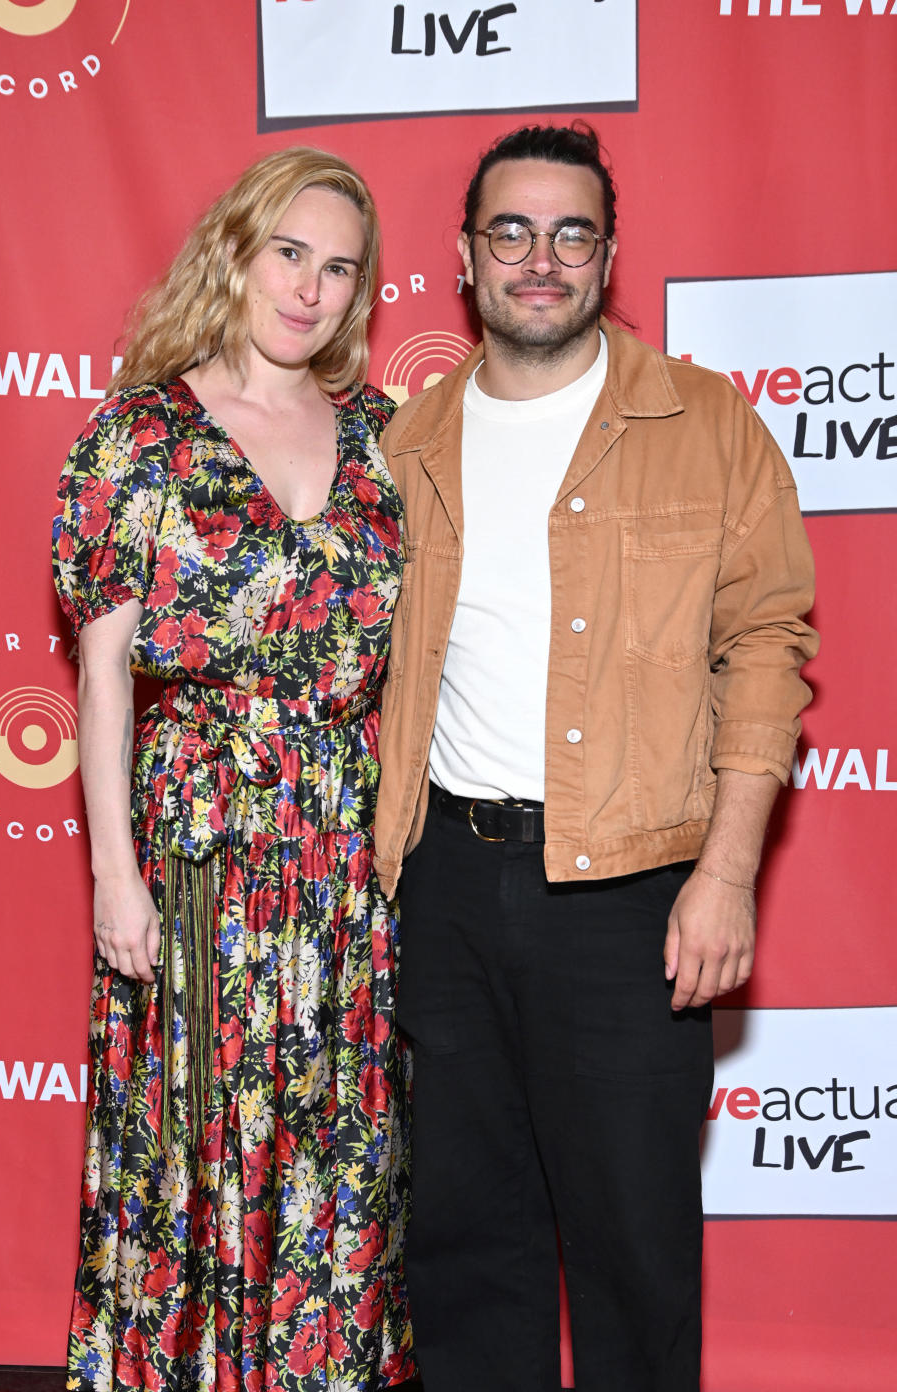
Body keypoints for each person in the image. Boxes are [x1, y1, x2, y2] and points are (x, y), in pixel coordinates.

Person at [372, 124, 818, 1392]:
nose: (541, 259)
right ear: (466, 259)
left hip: (630, 899)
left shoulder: (706, 423)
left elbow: (768, 646)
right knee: (465, 1251)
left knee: (633, 1258)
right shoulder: (403, 445)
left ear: (609, 255)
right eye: (511, 232)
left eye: (571, 233)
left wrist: (727, 876)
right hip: (443, 890)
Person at [53, 147, 414, 1392]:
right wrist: (115, 874)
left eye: (339, 268)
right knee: (192, 1136)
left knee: (336, 1135)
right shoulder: (138, 437)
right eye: (290, 254)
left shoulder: (384, 440)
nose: (310, 289)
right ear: (234, 251)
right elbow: (101, 674)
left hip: (347, 850)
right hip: (200, 843)